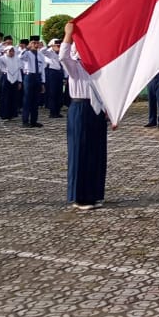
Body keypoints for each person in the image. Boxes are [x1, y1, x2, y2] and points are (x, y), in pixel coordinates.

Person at [60, 22, 108, 210]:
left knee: (97, 152)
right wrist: (68, 34)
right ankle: (79, 197)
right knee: (80, 151)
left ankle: (94, 194)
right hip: (80, 108)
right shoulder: (75, 66)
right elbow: (63, 57)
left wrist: (110, 112)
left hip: (97, 110)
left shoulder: (98, 68)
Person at [20, 35, 46, 128]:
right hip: (29, 76)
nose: (36, 45)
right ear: (30, 43)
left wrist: (43, 82)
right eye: (34, 43)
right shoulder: (27, 53)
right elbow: (20, 57)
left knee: (36, 100)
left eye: (37, 43)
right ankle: (25, 121)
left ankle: (34, 121)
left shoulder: (40, 55)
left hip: (37, 77)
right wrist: (27, 48)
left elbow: (42, 69)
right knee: (27, 99)